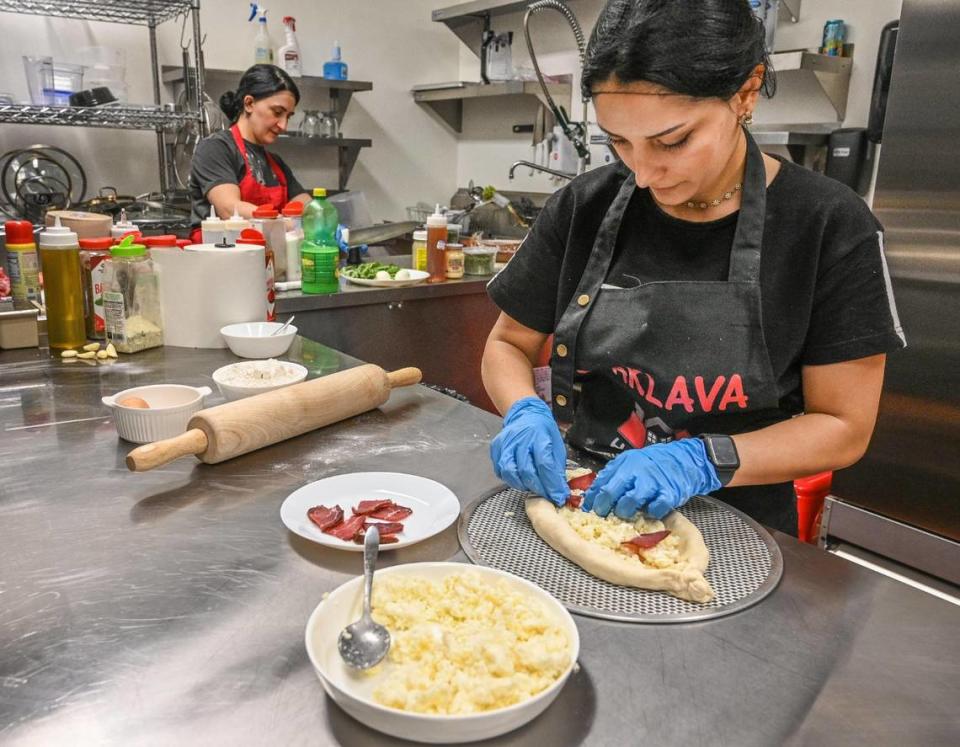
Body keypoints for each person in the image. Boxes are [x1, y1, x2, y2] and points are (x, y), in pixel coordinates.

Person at [483, 0, 906, 535]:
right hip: (585, 504)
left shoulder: (828, 226)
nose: (642, 173)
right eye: (619, 142)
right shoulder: (583, 206)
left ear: (746, 93)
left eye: (673, 141)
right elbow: (507, 345)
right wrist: (523, 411)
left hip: (739, 526)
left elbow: (844, 427)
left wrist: (702, 461)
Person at [189, 64, 311, 239]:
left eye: (288, 116)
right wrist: (283, 223)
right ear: (249, 103)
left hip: (266, 259)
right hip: (220, 259)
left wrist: (318, 218)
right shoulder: (215, 149)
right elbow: (229, 208)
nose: (283, 125)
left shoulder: (275, 163)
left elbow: (305, 204)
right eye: (277, 112)